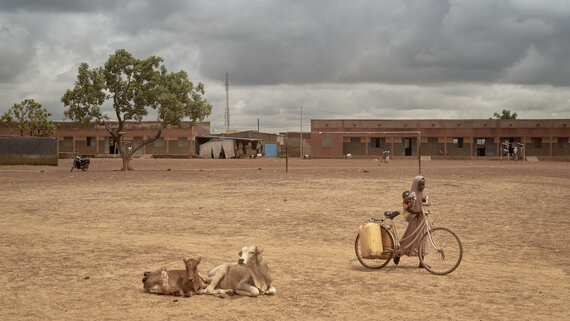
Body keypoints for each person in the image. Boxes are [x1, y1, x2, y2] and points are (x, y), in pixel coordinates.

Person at [393, 176, 431, 267]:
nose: (422, 187)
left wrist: (426, 201)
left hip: (422, 218)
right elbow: (406, 204)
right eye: (420, 185)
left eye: (423, 185)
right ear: (415, 184)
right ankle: (398, 254)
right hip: (414, 219)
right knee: (410, 238)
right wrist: (411, 204)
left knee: (423, 239)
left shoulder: (423, 193)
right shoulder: (413, 194)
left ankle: (421, 262)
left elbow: (428, 203)